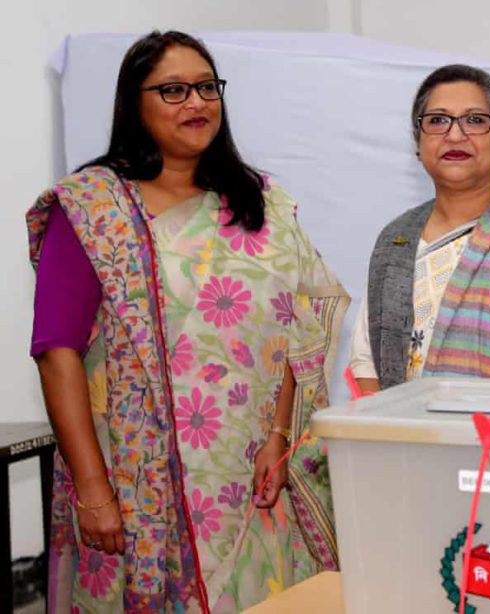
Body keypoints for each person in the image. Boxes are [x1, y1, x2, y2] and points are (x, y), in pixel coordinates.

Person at [27, 31, 348, 612]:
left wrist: (278, 439)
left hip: (254, 483)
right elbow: (57, 352)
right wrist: (94, 490)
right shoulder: (92, 208)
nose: (195, 103)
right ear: (135, 103)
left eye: (206, 87)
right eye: (173, 90)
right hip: (136, 486)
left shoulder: (262, 202)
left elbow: (302, 329)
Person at [348, 64, 490, 393]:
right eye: (438, 120)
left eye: (475, 120)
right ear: (418, 142)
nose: (455, 135)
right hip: (400, 436)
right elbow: (367, 359)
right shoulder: (396, 239)